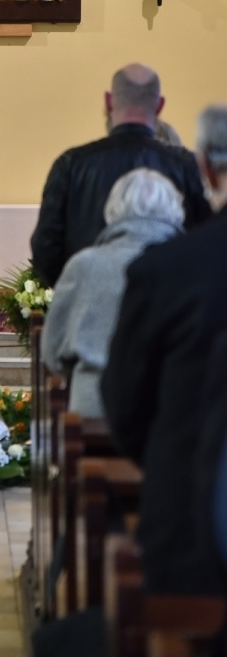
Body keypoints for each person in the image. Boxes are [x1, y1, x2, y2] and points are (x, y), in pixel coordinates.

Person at [101, 105, 227, 597]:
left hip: (190, 530)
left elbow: (125, 401)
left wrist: (166, 460)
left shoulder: (167, 270)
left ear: (205, 169)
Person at [30, 62, 210, 287]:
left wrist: (77, 289)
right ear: (159, 105)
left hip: (91, 298)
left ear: (108, 101)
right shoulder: (187, 166)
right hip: (167, 302)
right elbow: (208, 243)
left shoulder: (71, 165)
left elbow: (46, 250)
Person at [41, 168, 184, 418]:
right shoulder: (192, 266)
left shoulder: (85, 265)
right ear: (176, 211)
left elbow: (53, 353)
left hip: (94, 410)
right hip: (169, 415)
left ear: (112, 210)